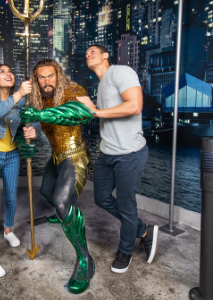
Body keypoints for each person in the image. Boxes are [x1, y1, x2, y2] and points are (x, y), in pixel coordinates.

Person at [77, 45, 159, 274]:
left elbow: (134, 106)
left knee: (126, 204)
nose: (88, 54)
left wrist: (94, 111)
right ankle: (143, 230)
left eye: (94, 51)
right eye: (86, 53)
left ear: (106, 54)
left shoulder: (121, 72)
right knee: (102, 198)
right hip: (107, 152)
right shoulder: (101, 84)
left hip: (129, 153)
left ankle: (126, 250)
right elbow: (108, 116)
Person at [20, 59, 95, 294]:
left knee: (62, 203)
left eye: (50, 76)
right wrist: (27, 141)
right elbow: (26, 131)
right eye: (41, 77)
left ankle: (85, 260)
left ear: (58, 75)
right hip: (56, 156)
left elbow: (85, 112)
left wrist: (42, 113)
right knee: (46, 193)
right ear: (35, 80)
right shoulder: (37, 98)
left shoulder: (73, 90)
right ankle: (62, 215)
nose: (46, 81)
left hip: (75, 155)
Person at [0, 64, 37, 277]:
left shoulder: (20, 104)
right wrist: (19, 93)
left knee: (11, 198)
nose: (8, 74)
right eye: (2, 71)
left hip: (12, 156)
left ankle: (8, 230)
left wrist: (30, 133)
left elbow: (21, 131)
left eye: (10, 71)